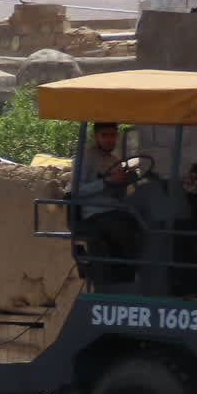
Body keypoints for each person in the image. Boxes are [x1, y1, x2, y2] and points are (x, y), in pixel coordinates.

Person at [70, 122, 142, 284]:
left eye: (113, 135)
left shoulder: (114, 160)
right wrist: (106, 182)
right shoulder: (85, 157)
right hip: (94, 213)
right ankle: (126, 279)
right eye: (105, 135)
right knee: (125, 231)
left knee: (142, 223)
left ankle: (129, 278)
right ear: (96, 137)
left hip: (114, 209)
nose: (110, 139)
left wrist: (126, 180)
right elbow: (76, 190)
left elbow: (118, 194)